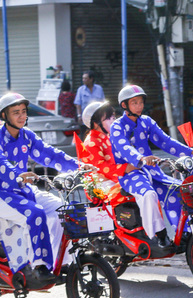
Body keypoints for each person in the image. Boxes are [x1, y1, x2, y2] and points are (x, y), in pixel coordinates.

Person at [0, 92, 85, 283]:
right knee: (36, 213)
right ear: (4, 116)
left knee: (60, 210)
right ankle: (39, 267)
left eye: (23, 112)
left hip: (23, 190)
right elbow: (2, 163)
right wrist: (18, 175)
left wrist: (79, 166)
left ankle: (60, 263)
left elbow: (50, 154)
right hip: (3, 193)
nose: (22, 116)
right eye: (16, 113)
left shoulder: (26, 135)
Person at [109, 85, 193, 248]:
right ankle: (158, 236)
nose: (139, 106)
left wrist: (191, 153)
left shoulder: (146, 122)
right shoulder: (117, 126)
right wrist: (141, 158)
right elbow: (124, 148)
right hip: (131, 173)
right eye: (134, 103)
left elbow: (165, 141)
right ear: (124, 105)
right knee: (149, 195)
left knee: (178, 190)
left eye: (141, 102)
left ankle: (185, 233)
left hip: (152, 170)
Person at [78, 101, 136, 208]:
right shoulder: (91, 142)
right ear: (96, 123)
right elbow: (101, 168)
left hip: (115, 180)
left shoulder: (109, 136)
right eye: (108, 118)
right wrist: (126, 168)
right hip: (101, 188)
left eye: (113, 117)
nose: (113, 120)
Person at [74, 71, 105, 135]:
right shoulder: (81, 90)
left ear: (91, 79)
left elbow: (103, 103)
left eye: (85, 78)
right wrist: (79, 116)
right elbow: (78, 104)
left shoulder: (99, 89)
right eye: (83, 78)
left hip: (97, 119)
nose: (83, 80)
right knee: (85, 137)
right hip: (85, 119)